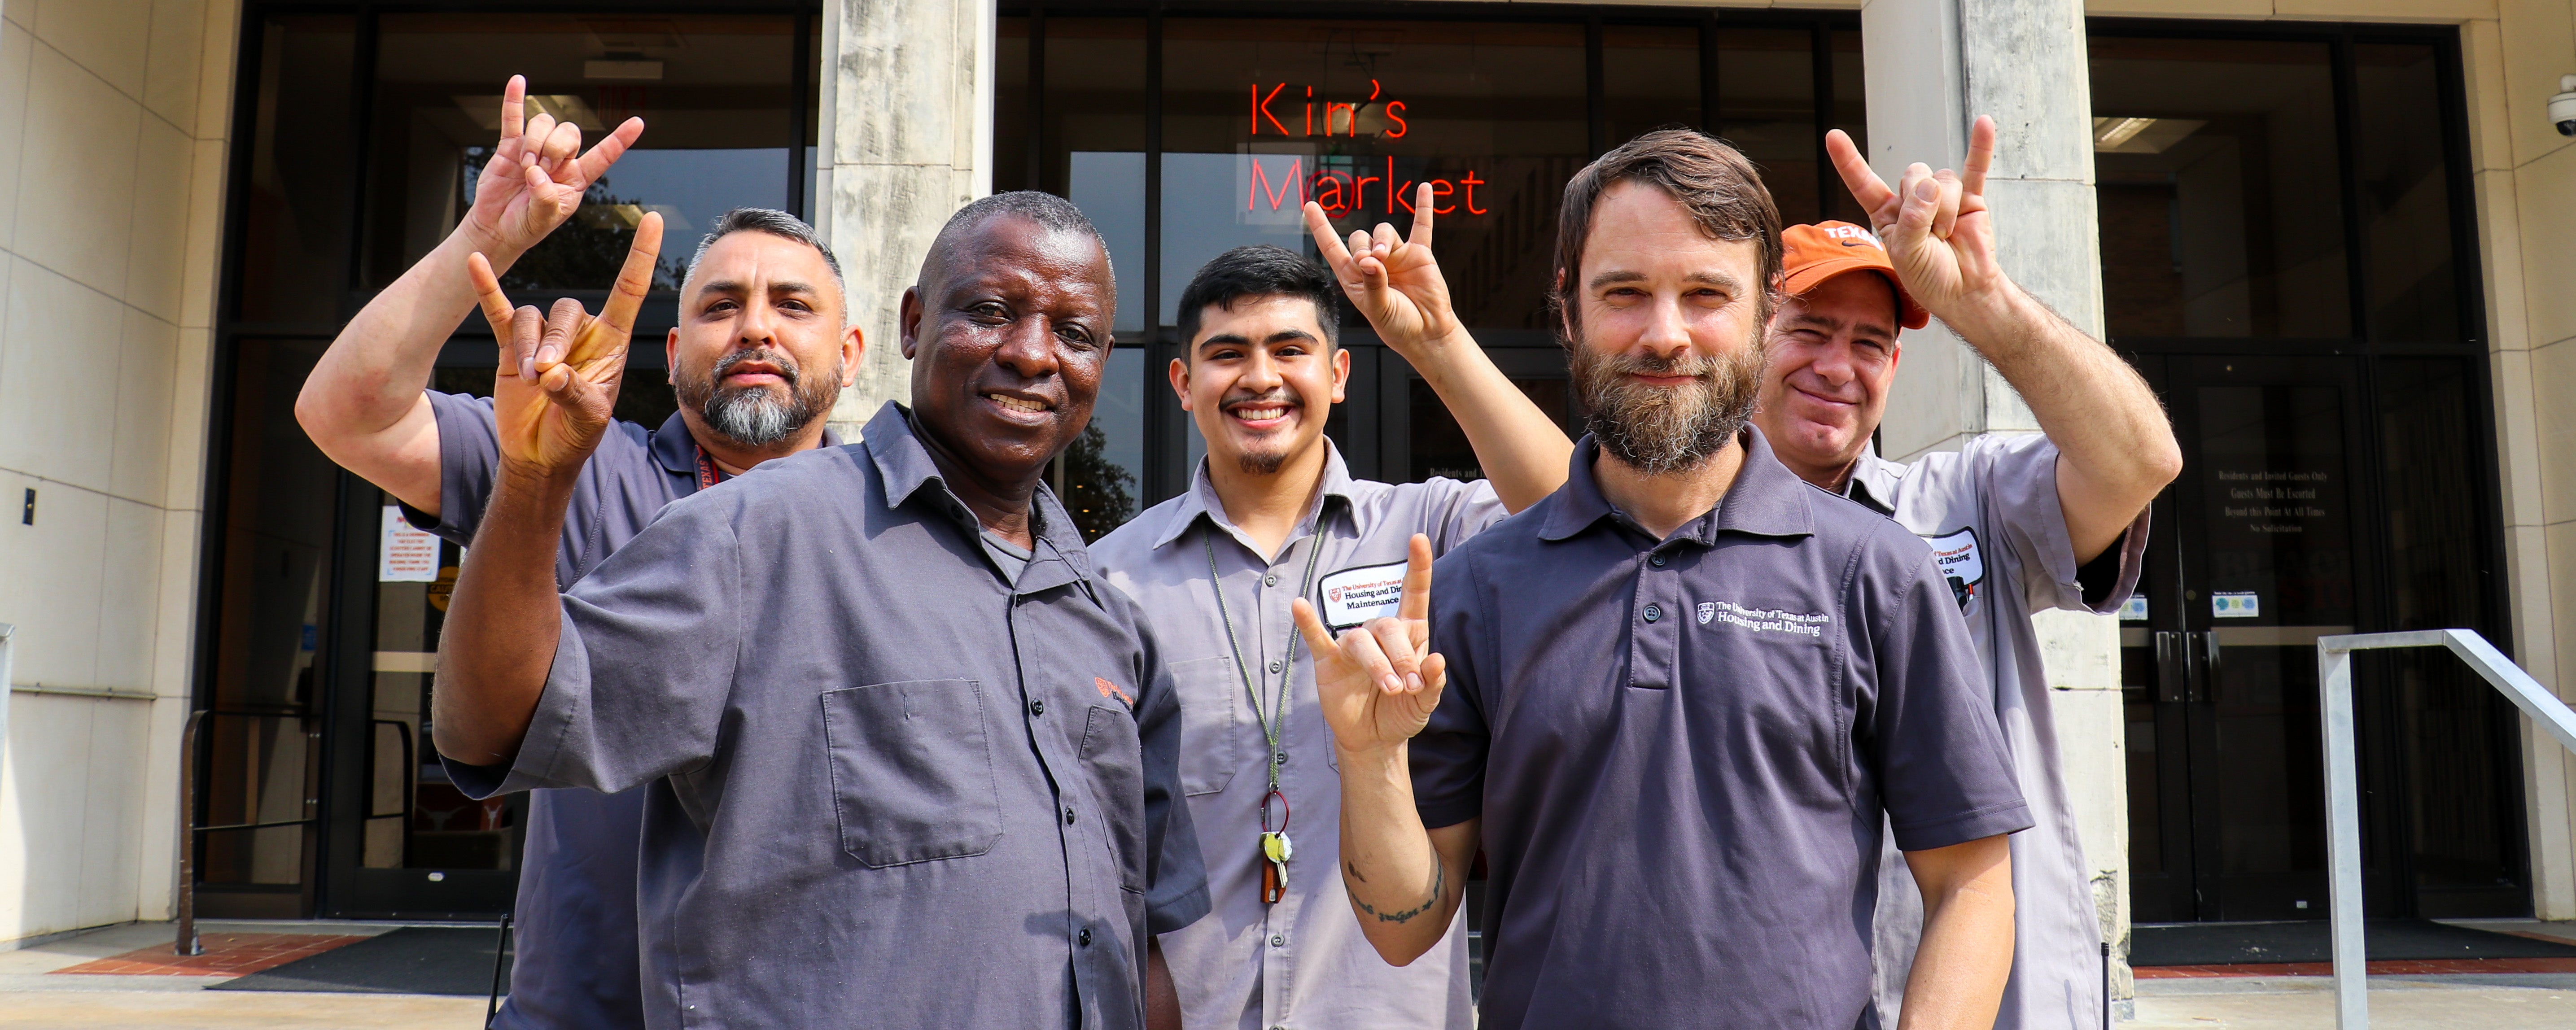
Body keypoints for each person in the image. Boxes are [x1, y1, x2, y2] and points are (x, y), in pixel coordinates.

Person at [1296, 130, 2032, 1029]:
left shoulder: (1878, 573)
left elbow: (1971, 881)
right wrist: (1369, 759)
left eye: (1707, 294)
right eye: (1626, 293)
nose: (1666, 332)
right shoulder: (1477, 587)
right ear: (1568, 312)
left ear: (1764, 317)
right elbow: (1405, 928)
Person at [429, 190, 1208, 1028]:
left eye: (1075, 333)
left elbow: (1141, 939)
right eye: (989, 312)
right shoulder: (756, 532)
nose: (1031, 354)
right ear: (912, 325)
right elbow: (494, 727)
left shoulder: (1109, 625)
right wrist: (532, 481)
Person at [291, 79, 859, 1028]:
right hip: (589, 1007)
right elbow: (344, 415)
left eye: (791, 304)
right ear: (674, 348)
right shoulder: (571, 463)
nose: (756, 325)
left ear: (848, 349)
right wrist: (488, 238)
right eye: (722, 305)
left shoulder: (896, 524)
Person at [1092, 190, 1573, 1030]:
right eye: (1227, 353)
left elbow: (1576, 509)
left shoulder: (1429, 528)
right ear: (1182, 383)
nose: (1260, 378)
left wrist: (1436, 344)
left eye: (1290, 349)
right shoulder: (1110, 582)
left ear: (1340, 375)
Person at [1755, 118, 2181, 1027]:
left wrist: (1982, 298)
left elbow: (2139, 460)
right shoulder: (1683, 537)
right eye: (1810, 329)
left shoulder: (1963, 499)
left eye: (1870, 343)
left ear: (1897, 366)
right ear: (1752, 337)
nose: (1839, 365)